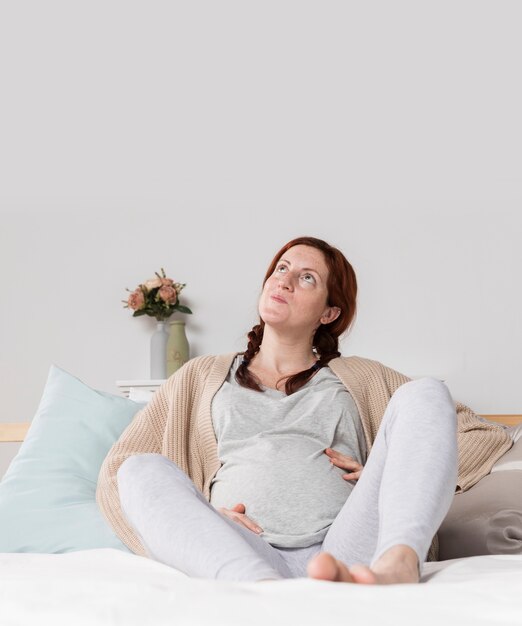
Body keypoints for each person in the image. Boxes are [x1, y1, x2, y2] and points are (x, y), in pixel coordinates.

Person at [96, 236, 512, 584]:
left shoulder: (361, 377)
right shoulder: (199, 376)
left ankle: (400, 560)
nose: (286, 280)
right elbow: (118, 473)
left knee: (426, 391)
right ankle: (265, 596)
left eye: (306, 277)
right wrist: (201, 519)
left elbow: (478, 434)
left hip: (350, 546)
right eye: (281, 268)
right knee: (138, 469)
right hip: (241, 553)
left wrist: (396, 477)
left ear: (329, 313)